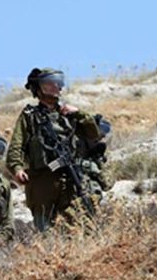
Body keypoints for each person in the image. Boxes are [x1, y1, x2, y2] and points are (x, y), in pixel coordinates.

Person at [6, 67, 101, 231]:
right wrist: (17, 168)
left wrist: (79, 114)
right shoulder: (29, 116)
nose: (56, 87)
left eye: (58, 83)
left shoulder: (69, 114)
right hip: (43, 183)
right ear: (39, 88)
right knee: (46, 231)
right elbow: (16, 146)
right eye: (49, 83)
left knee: (78, 226)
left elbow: (93, 134)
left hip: (71, 180)